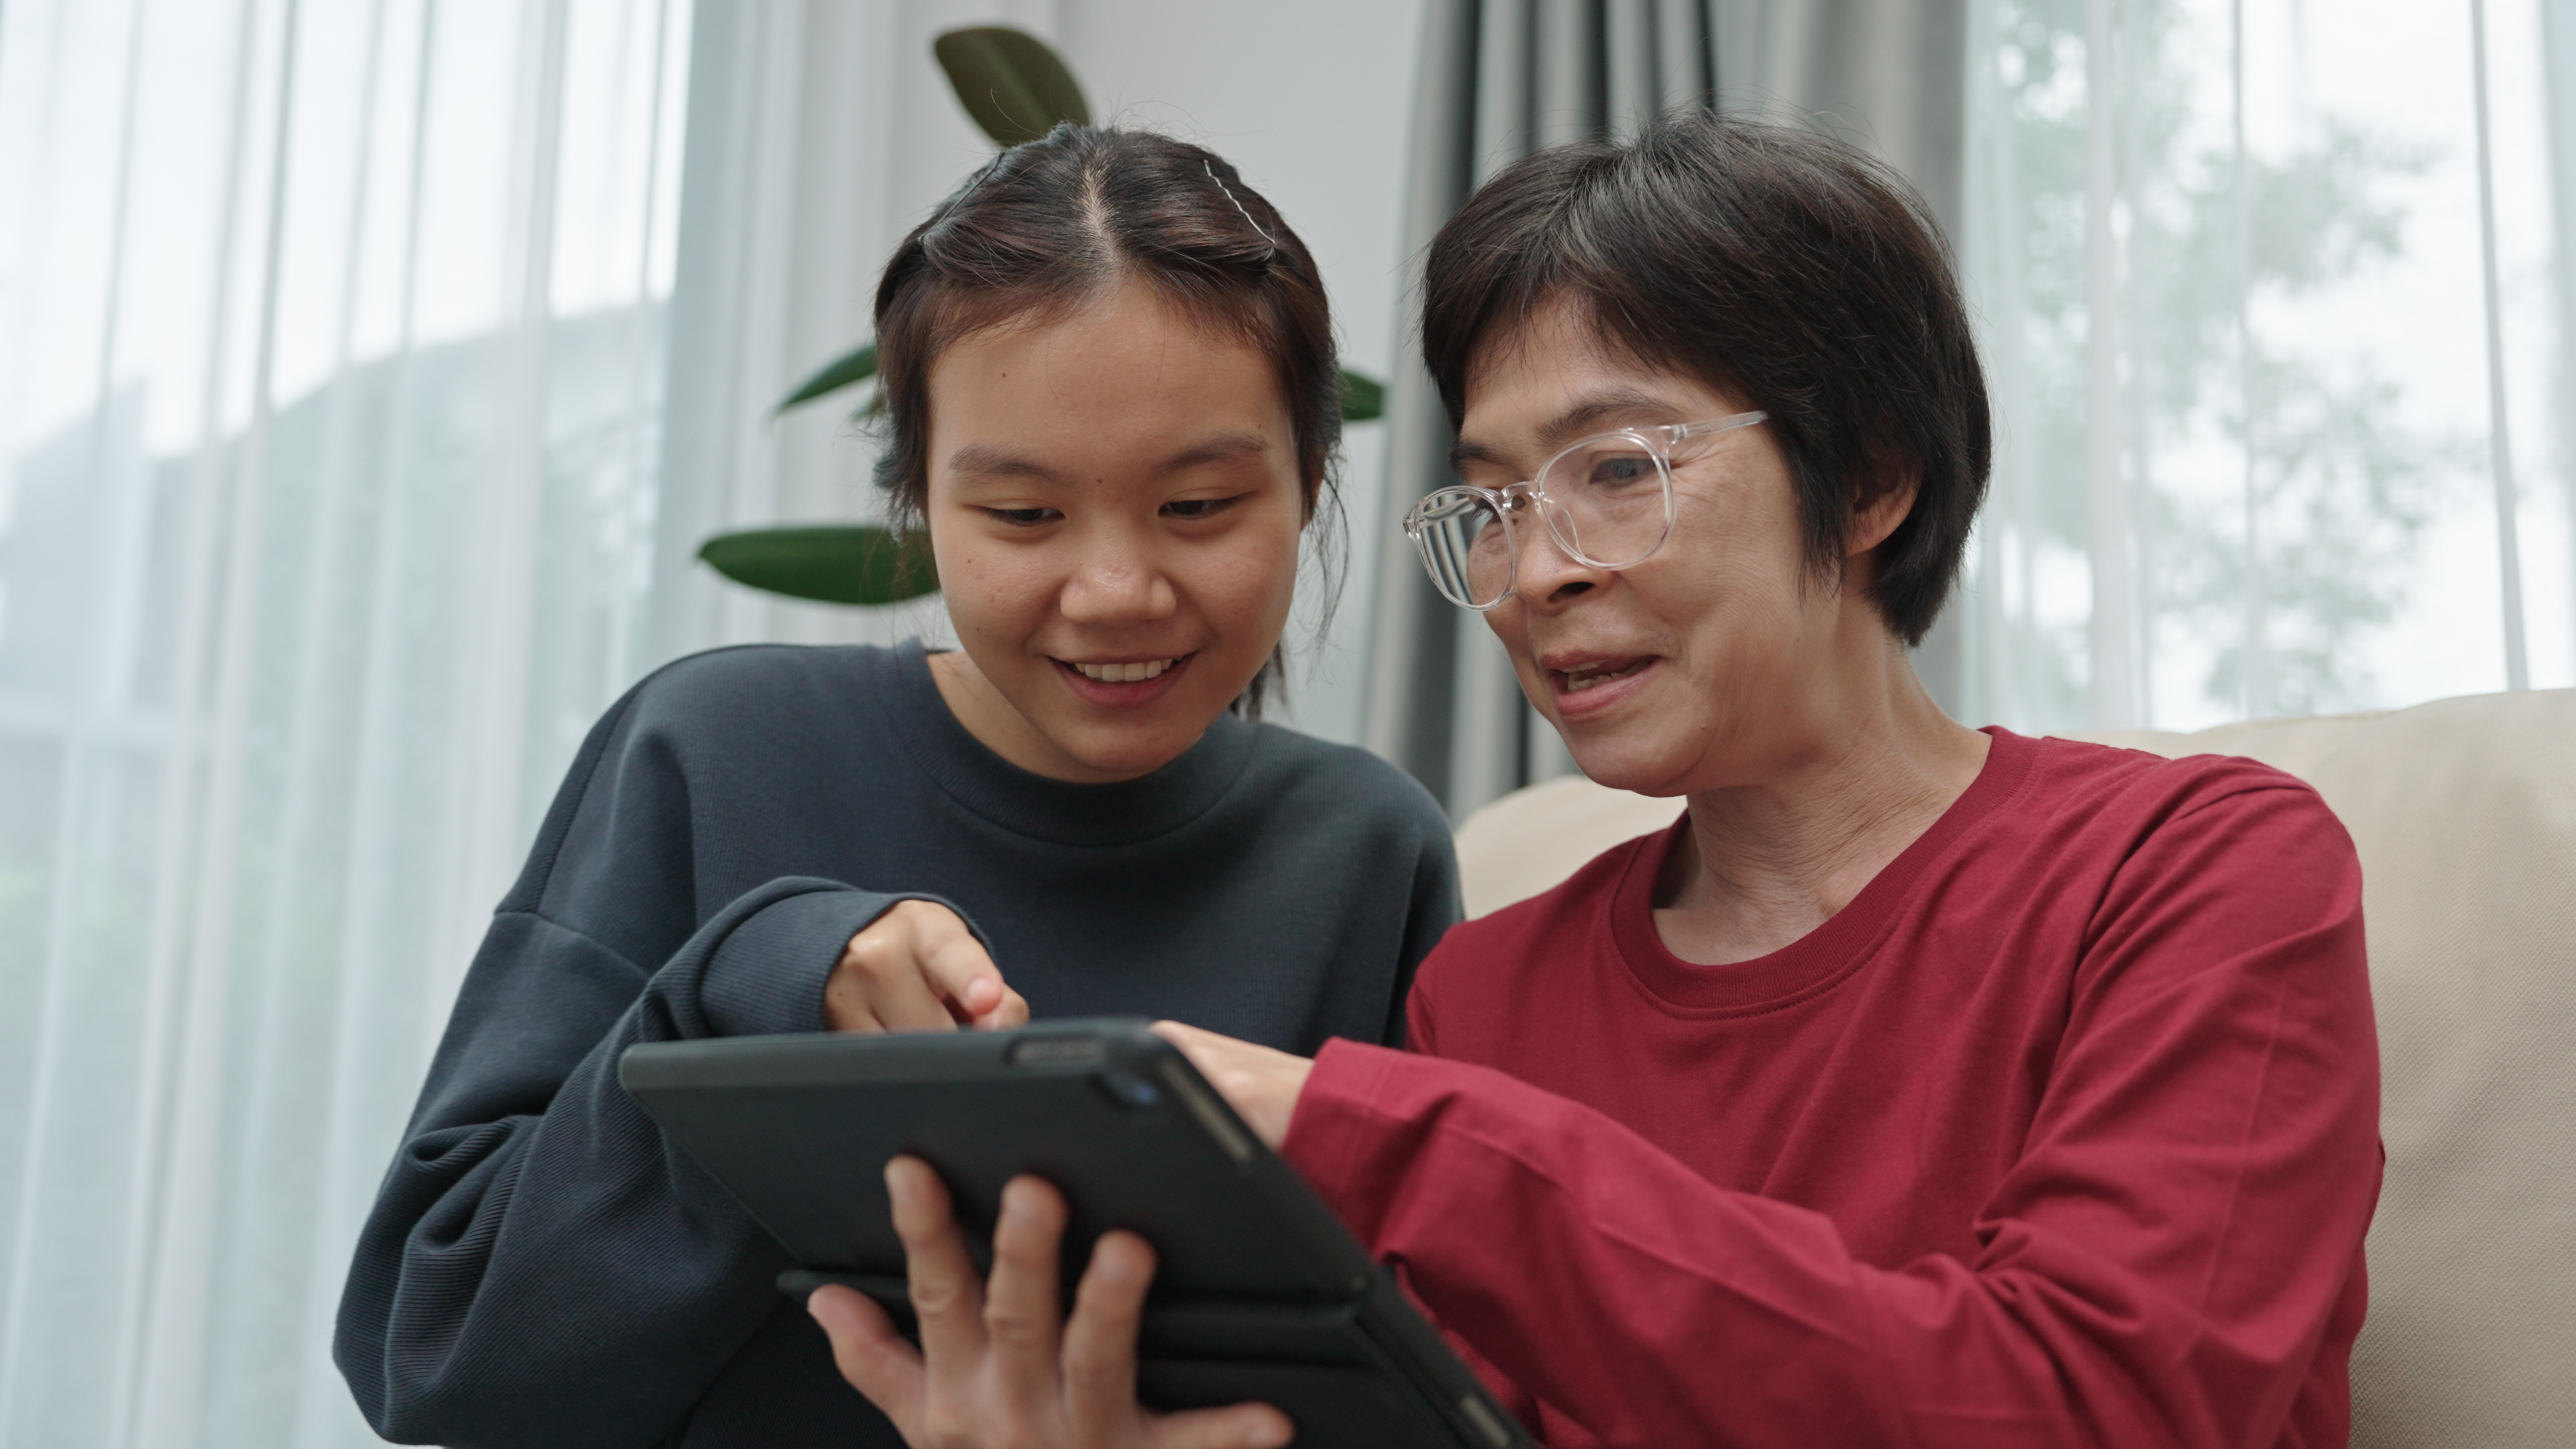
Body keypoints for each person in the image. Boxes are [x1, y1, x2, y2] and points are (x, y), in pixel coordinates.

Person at [809, 110, 2382, 1449]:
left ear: (1875, 478)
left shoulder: (2196, 872)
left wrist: (1385, 1141)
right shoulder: (1486, 998)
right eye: (1491, 504)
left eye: (1617, 474)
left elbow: (2101, 1409)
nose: (1532, 573)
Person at [333, 126, 1458, 1449]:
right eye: (1025, 517)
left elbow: (1426, 1380)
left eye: (1200, 505)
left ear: (1312, 480)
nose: (1115, 592)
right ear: (919, 500)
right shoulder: (714, 753)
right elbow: (437, 1348)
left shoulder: (1366, 855)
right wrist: (754, 984)